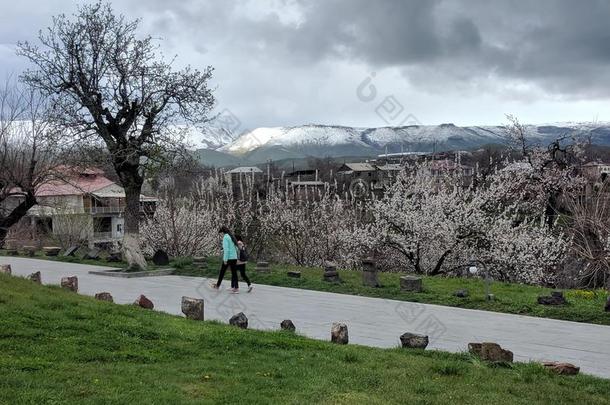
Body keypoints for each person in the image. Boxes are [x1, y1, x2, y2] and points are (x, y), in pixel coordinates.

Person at [211, 226, 239, 293]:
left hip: (229, 258)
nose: (221, 235)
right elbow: (236, 248)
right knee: (234, 273)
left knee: (222, 272)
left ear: (223, 232)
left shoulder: (225, 237)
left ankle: (217, 285)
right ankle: (236, 288)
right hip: (234, 257)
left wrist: (225, 259)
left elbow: (226, 250)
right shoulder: (231, 236)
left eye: (221, 233)